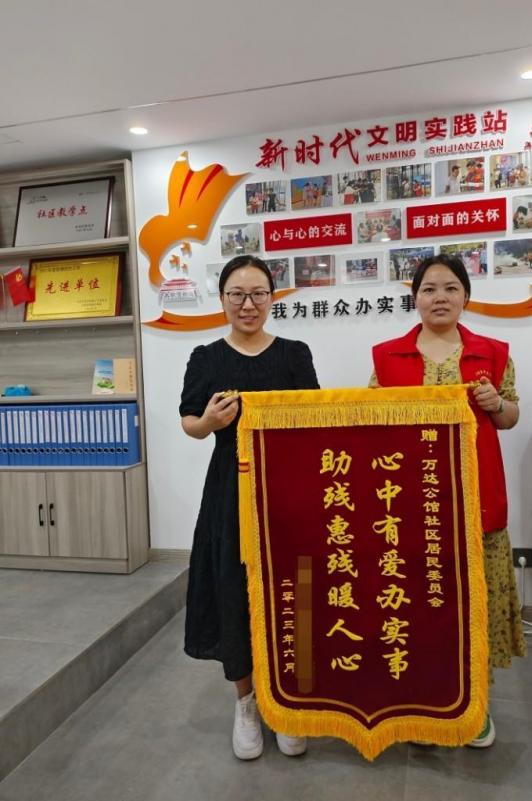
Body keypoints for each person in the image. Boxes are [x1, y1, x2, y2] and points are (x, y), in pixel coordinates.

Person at [370, 254, 525, 749]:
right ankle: (425, 701)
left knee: (474, 601)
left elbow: (510, 417)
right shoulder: (386, 356)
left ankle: (475, 703)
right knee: (419, 601)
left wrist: (496, 404)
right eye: (429, 289)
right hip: (410, 503)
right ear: (415, 298)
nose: (440, 297)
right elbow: (370, 421)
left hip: (477, 498)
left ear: (465, 297)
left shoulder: (493, 353)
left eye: (451, 288)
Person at [180, 255, 320, 760]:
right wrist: (210, 423)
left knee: (293, 592)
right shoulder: (206, 358)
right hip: (229, 493)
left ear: (271, 298)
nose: (248, 304)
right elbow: (190, 423)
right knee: (234, 590)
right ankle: (246, 703)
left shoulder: (294, 355)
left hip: (287, 490)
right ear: (222, 299)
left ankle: (289, 702)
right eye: (237, 294)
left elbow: (316, 419)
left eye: (258, 293)